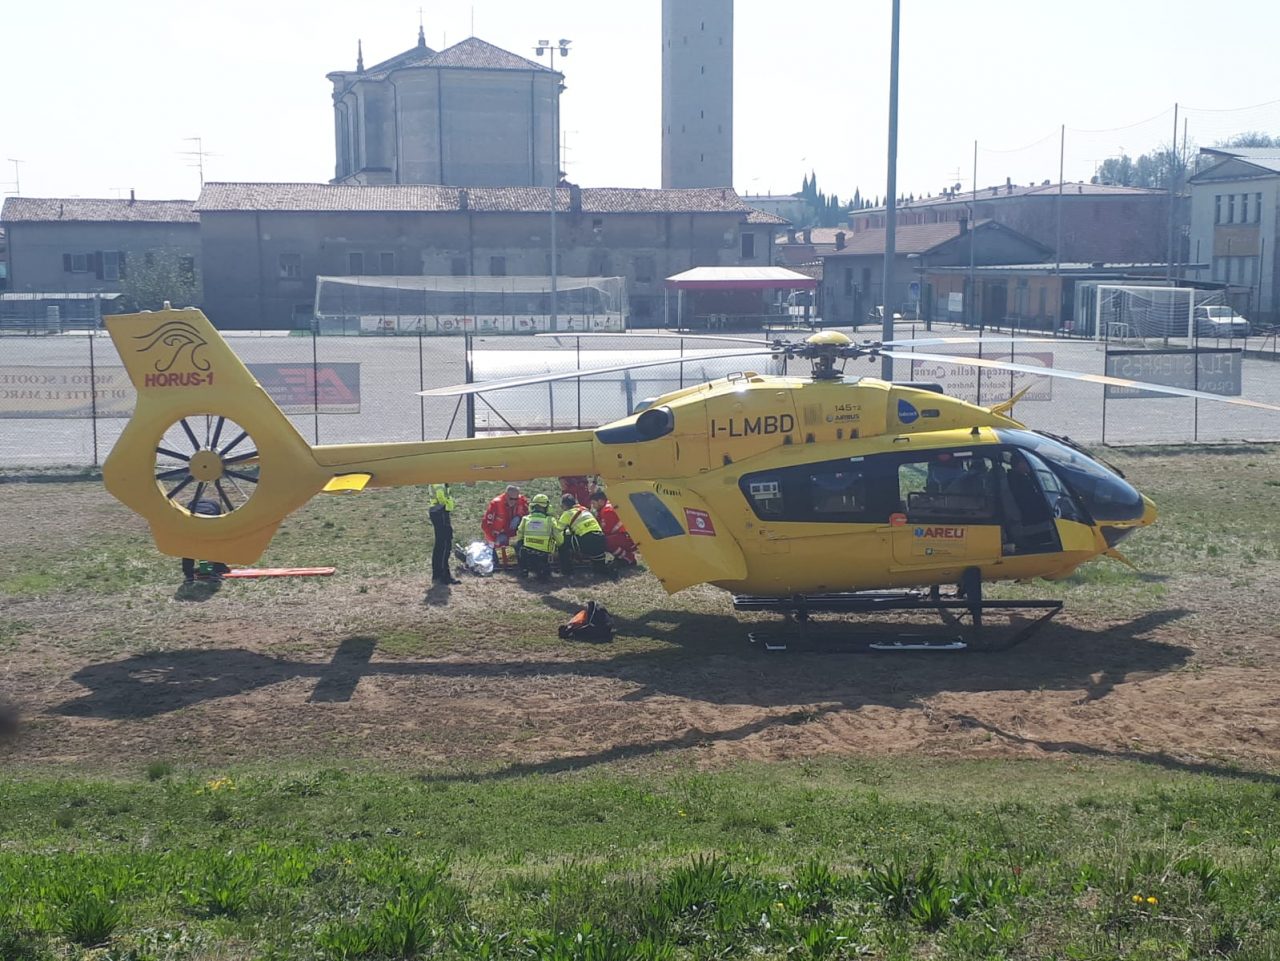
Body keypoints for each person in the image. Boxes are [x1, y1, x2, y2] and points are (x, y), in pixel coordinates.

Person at [558, 493, 609, 577]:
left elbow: (558, 530)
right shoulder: (585, 510)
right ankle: (600, 569)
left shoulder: (567, 513)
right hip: (600, 538)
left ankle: (567, 571)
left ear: (564, 505)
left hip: (587, 540)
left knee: (562, 543)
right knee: (599, 564)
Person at [513, 493, 562, 581]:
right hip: (544, 557)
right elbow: (560, 540)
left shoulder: (525, 519)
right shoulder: (551, 521)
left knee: (518, 544)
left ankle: (523, 570)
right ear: (547, 507)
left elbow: (519, 536)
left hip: (527, 555)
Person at [181, 498, 230, 582]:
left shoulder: (192, 505)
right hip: (209, 521)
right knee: (209, 545)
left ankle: (189, 575)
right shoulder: (215, 506)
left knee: (189, 548)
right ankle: (211, 570)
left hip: (193, 522)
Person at [482, 484, 529, 569]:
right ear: (506, 495)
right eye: (511, 499)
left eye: (516, 499)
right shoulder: (495, 504)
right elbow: (485, 525)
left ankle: (515, 558)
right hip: (499, 535)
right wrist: (493, 540)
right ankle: (502, 560)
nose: (514, 501)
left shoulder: (522, 501)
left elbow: (528, 516)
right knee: (505, 561)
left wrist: (518, 517)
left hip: (514, 533)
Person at [590, 489, 638, 566]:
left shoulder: (607, 511)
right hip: (628, 536)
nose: (593, 506)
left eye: (593, 503)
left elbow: (607, 530)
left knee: (604, 541)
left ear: (600, 501)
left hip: (629, 538)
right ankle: (623, 556)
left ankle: (628, 559)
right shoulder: (607, 506)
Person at [427, 482, 461, 585]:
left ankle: (439, 574)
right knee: (444, 545)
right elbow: (441, 496)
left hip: (438, 511)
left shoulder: (439, 479)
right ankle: (443, 575)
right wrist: (446, 505)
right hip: (441, 511)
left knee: (441, 544)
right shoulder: (439, 481)